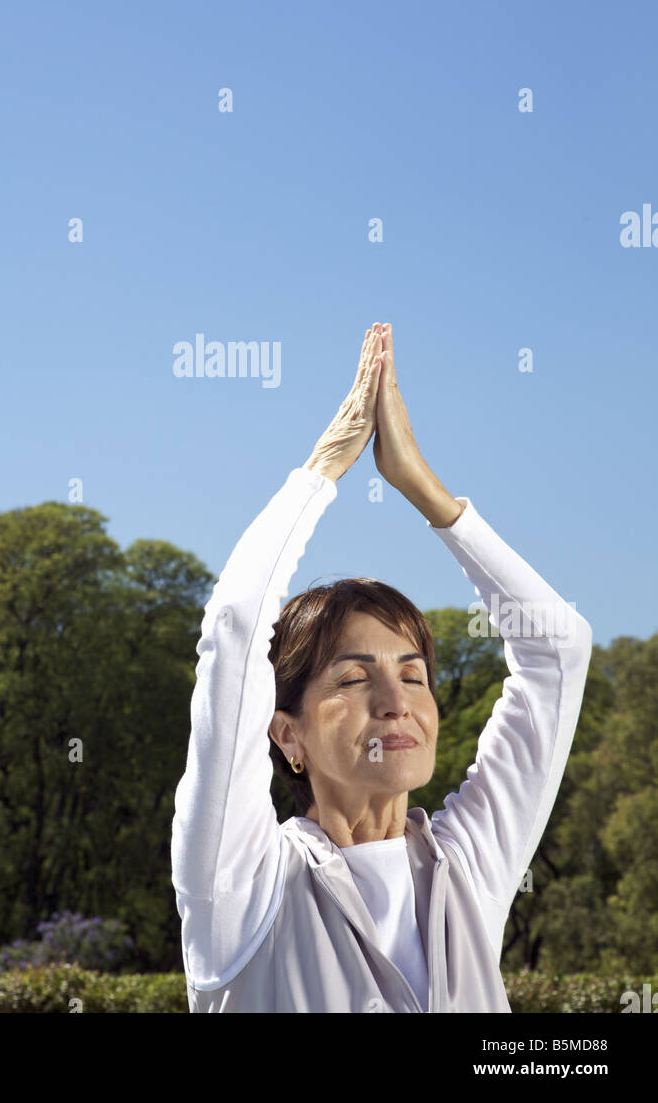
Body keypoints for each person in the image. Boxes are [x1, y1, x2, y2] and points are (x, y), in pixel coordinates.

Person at [170, 323, 592, 1012]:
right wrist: (323, 469)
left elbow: (557, 650)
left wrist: (425, 491)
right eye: (352, 677)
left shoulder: (464, 871)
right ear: (287, 736)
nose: (396, 701)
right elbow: (237, 628)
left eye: (413, 674)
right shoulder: (241, 885)